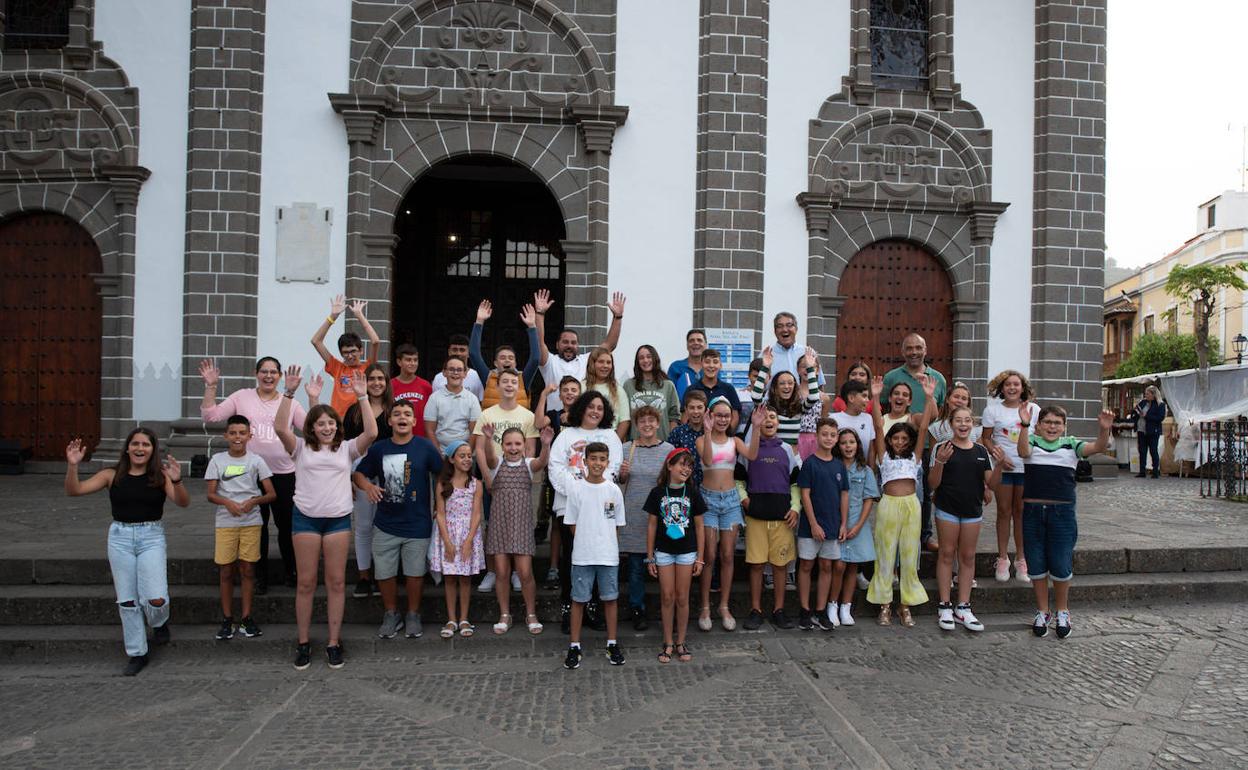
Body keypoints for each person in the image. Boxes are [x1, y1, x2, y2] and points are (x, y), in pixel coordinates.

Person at [275, 365, 377, 671]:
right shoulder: (301, 449)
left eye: (331, 423)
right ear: (312, 427)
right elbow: (281, 428)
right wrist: (289, 393)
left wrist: (362, 398)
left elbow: (371, 432)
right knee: (306, 583)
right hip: (305, 520)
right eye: (321, 424)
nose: (327, 427)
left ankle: (334, 641)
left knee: (335, 582)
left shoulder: (346, 450)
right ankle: (303, 642)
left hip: (337, 521)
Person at [64, 429, 189, 676]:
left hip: (151, 537)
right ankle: (137, 653)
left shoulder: (160, 476)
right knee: (128, 600)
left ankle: (158, 621)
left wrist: (176, 480)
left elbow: (183, 502)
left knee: (156, 598)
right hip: (120, 538)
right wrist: (72, 466)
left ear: (153, 449)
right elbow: (74, 490)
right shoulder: (111, 475)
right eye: (135, 444)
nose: (140, 448)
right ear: (127, 448)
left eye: (145, 444)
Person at [200, 356, 308, 592]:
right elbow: (211, 416)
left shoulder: (289, 401)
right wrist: (211, 386)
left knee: (287, 525)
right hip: (250, 475)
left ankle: (292, 571)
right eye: (264, 371)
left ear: (280, 376)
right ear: (256, 374)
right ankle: (259, 577)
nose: (269, 376)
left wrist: (311, 396)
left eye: (273, 372)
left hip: (283, 473)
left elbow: (310, 428)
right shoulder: (242, 397)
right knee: (256, 527)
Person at [1017, 405, 1114, 639]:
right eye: (1047, 422)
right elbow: (1022, 452)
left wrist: (1104, 430)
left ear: (1064, 426)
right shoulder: (1031, 440)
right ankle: (1043, 611)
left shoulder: (1072, 444)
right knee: (1036, 563)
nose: (1052, 427)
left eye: (1057, 423)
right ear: (1039, 425)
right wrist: (1024, 424)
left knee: (1061, 564)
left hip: (1062, 513)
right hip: (1032, 511)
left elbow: (1099, 447)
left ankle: (1062, 610)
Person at [352, 399, 443, 641]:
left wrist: (440, 506)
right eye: (397, 414)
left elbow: (443, 474)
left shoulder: (425, 447)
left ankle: (413, 614)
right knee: (384, 572)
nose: (402, 417)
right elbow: (358, 473)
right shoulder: (379, 449)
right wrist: (368, 486)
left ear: (414, 421)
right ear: (390, 420)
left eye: (407, 414)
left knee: (414, 572)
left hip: (417, 523)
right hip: (385, 524)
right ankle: (391, 613)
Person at [547, 390, 624, 633]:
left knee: (598, 558)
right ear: (581, 407)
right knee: (573, 558)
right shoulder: (566, 435)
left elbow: (612, 468)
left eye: (600, 408)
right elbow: (556, 467)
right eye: (591, 406)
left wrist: (592, 493)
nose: (595, 411)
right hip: (569, 505)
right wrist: (579, 492)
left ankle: (592, 608)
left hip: (601, 508)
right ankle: (570, 609)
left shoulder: (610, 436)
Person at [866, 375, 936, 627]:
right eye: (895, 438)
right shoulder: (884, 458)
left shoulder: (914, 459)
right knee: (885, 554)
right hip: (889, 505)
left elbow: (925, 428)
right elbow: (876, 428)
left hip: (911, 506)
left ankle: (905, 605)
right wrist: (875, 397)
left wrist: (928, 398)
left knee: (908, 554)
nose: (899, 442)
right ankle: (884, 604)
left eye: (904, 439)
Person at [928, 406, 1003, 633]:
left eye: (967, 420)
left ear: (973, 424)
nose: (963, 424)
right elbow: (932, 484)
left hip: (972, 510)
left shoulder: (981, 451)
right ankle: (944, 605)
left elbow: (992, 484)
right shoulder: (943, 448)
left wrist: (999, 465)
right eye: (958, 420)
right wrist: (940, 461)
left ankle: (964, 606)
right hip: (947, 509)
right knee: (947, 553)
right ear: (951, 424)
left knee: (968, 556)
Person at [696, 398, 764, 633]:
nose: (723, 419)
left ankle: (724, 606)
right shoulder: (701, 439)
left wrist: (756, 427)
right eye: (718, 415)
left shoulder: (735, 441)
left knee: (727, 555)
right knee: (709, 555)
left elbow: (753, 455)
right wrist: (706, 430)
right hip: (708, 500)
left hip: (732, 502)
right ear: (710, 416)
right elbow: (706, 459)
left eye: (726, 415)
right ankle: (705, 606)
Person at [205, 415, 276, 641]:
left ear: (249, 436)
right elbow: (211, 494)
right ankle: (227, 618)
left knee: (248, 570)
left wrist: (253, 502)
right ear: (226, 435)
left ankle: (246, 617)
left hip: (251, 521)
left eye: (242, 433)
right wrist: (228, 503)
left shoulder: (256, 461)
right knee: (226, 570)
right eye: (233, 433)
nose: (237, 437)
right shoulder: (217, 460)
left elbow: (271, 493)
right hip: (226, 521)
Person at [477, 423, 552, 636]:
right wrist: (489, 439)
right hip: (500, 525)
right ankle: (504, 614)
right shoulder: (497, 462)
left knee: (525, 573)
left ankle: (531, 614)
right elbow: (489, 458)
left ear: (524, 446)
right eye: (508, 444)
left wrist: (545, 445)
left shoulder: (528, 464)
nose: (513, 448)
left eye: (517, 443)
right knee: (501, 572)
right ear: (502, 446)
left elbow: (540, 462)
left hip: (521, 526)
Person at [559, 442, 628, 669]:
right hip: (582, 556)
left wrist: (604, 542)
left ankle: (612, 643)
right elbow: (572, 524)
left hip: (608, 556)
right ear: (585, 461)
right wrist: (588, 541)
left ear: (607, 462)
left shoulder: (613, 490)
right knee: (578, 600)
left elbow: (616, 524)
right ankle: (574, 646)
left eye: (602, 459)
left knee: (610, 599)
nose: (598, 463)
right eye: (594, 458)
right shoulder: (576, 489)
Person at [739, 406, 802, 631]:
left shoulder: (787, 450)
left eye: (773, 417)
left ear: (778, 423)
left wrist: (795, 508)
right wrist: (745, 500)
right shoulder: (748, 450)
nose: (768, 420)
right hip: (756, 518)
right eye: (764, 417)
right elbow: (738, 480)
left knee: (779, 565)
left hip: (782, 519)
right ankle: (755, 610)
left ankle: (779, 610)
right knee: (756, 565)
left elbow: (796, 483)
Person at [644, 448, 706, 663]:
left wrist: (700, 557)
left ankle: (681, 641)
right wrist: (650, 556)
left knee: (682, 596)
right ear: (669, 466)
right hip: (663, 552)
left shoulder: (693, 493)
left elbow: (699, 527)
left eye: (689, 465)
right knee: (667, 596)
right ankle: (668, 641)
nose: (685, 469)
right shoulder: (657, 493)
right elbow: (652, 526)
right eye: (681, 464)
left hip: (687, 552)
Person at [981, 370, 1040, 584]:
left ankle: (1022, 559)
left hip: (1027, 468)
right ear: (1002, 388)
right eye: (1008, 384)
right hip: (1003, 469)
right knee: (1004, 512)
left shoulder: (1033, 409)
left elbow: (1040, 436)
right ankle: (1003, 557)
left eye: (1016, 384)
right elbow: (985, 439)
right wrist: (998, 454)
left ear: (1023, 387)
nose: (1012, 388)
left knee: (1022, 513)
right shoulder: (993, 410)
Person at [618, 406, 674, 631]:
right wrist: (622, 475)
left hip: (661, 517)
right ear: (636, 425)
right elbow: (617, 483)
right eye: (642, 421)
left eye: (652, 421)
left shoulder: (668, 449)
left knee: (665, 565)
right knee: (635, 568)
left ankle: (667, 609)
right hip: (634, 514)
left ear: (658, 424)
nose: (647, 425)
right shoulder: (625, 448)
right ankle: (637, 609)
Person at [534, 288, 626, 412]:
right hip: (555, 422)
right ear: (557, 345)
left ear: (578, 346)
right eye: (565, 342)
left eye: (573, 343)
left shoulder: (586, 360)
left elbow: (609, 345)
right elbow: (539, 342)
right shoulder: (550, 362)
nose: (569, 346)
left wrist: (618, 317)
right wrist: (539, 314)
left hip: (581, 422)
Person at [345, 363, 393, 599]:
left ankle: (385, 573)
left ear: (386, 383)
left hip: (389, 473)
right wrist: (347, 479)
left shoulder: (394, 410)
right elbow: (342, 449)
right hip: (360, 472)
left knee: (385, 526)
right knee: (364, 526)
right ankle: (364, 576)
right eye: (371, 378)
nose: (376, 383)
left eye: (380, 379)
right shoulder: (353, 412)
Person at [796, 418, 848, 631]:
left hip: (833, 524)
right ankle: (804, 609)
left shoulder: (839, 465)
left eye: (832, 435)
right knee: (807, 565)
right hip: (811, 527)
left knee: (827, 565)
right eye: (824, 434)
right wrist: (813, 523)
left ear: (836, 438)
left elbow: (844, 495)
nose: (828, 438)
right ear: (817, 436)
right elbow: (805, 496)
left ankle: (821, 610)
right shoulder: (809, 464)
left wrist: (843, 523)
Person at [430, 441, 485, 638]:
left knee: (465, 578)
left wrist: (469, 540)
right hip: (449, 534)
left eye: (469, 455)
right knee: (450, 577)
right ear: (452, 459)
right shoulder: (442, 484)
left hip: (468, 534)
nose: (467, 459)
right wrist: (447, 541)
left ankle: (464, 618)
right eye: (462, 455)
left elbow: (477, 514)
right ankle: (451, 619)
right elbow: (441, 514)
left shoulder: (476, 484)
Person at [534, 376, 583, 587]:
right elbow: (537, 423)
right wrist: (544, 394)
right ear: (560, 394)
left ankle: (577, 565)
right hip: (556, 478)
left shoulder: (584, 418)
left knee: (579, 523)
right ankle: (553, 568)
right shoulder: (553, 416)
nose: (570, 393)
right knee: (556, 523)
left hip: (581, 479)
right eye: (566, 390)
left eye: (574, 390)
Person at [830, 428, 878, 627]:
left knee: (852, 567)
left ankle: (846, 606)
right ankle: (832, 604)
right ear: (837, 446)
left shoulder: (864, 470)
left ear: (858, 445)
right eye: (843, 443)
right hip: (836, 523)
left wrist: (858, 526)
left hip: (857, 524)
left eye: (851, 442)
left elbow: (869, 499)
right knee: (838, 565)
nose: (848, 446)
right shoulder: (833, 467)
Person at [311, 295, 380, 417]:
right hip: (338, 420)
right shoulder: (337, 367)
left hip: (360, 420)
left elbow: (375, 341)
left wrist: (360, 316)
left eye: (353, 351)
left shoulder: (368, 367)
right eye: (345, 353)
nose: (349, 356)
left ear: (361, 351)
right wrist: (333, 317)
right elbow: (316, 341)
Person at [468, 299, 542, 410]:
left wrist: (532, 326)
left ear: (515, 363)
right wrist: (479, 321)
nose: (507, 360)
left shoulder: (523, 378)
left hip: (517, 427)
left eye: (511, 358)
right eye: (502, 358)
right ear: (496, 363)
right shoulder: (488, 377)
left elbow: (535, 359)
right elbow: (474, 354)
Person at [750, 347, 820, 447]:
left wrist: (810, 368)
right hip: (772, 455)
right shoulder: (768, 407)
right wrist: (765, 367)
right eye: (782, 383)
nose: (787, 386)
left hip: (794, 458)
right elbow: (756, 396)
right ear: (775, 388)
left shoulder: (800, 407)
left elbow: (814, 397)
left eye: (790, 383)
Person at [623, 345, 681, 441]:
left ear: (655, 359)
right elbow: (625, 418)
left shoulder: (668, 385)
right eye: (641, 358)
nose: (645, 360)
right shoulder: (628, 385)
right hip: (636, 444)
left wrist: (671, 440)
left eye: (649, 357)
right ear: (637, 362)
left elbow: (674, 416)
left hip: (662, 443)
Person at [424, 356, 481, 454]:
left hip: (465, 452)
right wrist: (439, 455)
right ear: (444, 372)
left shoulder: (472, 399)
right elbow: (429, 431)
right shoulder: (434, 398)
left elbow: (474, 432)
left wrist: (467, 455)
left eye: (459, 370)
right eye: (451, 369)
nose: (455, 373)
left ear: (465, 373)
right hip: (441, 452)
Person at [881, 333, 947, 415]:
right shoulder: (890, 377)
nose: (914, 352)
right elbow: (882, 408)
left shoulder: (938, 379)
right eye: (909, 348)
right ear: (903, 352)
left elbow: (942, 413)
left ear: (925, 351)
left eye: (918, 348)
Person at [764, 312, 825, 386]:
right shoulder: (766, 356)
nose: (785, 329)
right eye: (780, 326)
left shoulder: (808, 353)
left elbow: (819, 384)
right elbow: (753, 385)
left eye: (789, 325)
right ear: (775, 331)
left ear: (796, 329)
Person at [583, 346, 632, 440]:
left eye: (609, 362)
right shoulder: (582, 387)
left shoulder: (618, 390)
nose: (605, 366)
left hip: (610, 437)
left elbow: (624, 421)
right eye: (601, 362)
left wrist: (614, 443)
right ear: (592, 363)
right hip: (585, 437)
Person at [688, 348, 741, 432]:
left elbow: (735, 417)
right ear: (701, 364)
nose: (711, 365)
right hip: (697, 439)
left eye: (715, 362)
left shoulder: (728, 389)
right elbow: (685, 416)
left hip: (722, 438)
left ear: (720, 365)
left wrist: (726, 435)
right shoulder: (691, 389)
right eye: (707, 362)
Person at [829, 379, 877, 465]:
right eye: (864, 396)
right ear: (851, 398)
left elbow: (871, 450)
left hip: (861, 471)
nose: (867, 400)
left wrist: (872, 471)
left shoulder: (868, 418)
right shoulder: (834, 419)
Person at [668, 389, 709, 488]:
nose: (696, 411)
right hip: (684, 487)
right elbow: (671, 462)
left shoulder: (711, 432)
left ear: (706, 410)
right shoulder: (677, 433)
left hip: (708, 486)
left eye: (699, 407)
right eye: (691, 408)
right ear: (686, 409)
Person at [389, 344, 433, 435]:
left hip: (420, 438)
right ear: (399, 362)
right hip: (396, 437)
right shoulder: (390, 386)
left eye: (415, 360)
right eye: (408, 360)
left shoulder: (426, 386)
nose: (412, 363)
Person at [431, 334, 485, 400]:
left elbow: (481, 403)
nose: (458, 353)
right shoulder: (438, 378)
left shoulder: (477, 377)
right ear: (449, 352)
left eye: (462, 350)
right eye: (454, 349)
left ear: (468, 353)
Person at [1133, 385, 1166, 478]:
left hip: (1153, 431)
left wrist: (1146, 416)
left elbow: (1160, 418)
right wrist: (1136, 411)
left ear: (1153, 394)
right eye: (1145, 394)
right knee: (1142, 451)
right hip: (1141, 430)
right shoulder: (1143, 402)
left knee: (1153, 451)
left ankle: (1155, 471)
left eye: (1148, 394)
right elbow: (1137, 412)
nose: (1146, 395)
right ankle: (1142, 471)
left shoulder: (1160, 404)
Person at [667, 329, 706, 399]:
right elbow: (669, 394)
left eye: (699, 340)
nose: (696, 343)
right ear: (687, 345)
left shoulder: (711, 368)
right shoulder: (676, 367)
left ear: (705, 345)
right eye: (692, 340)